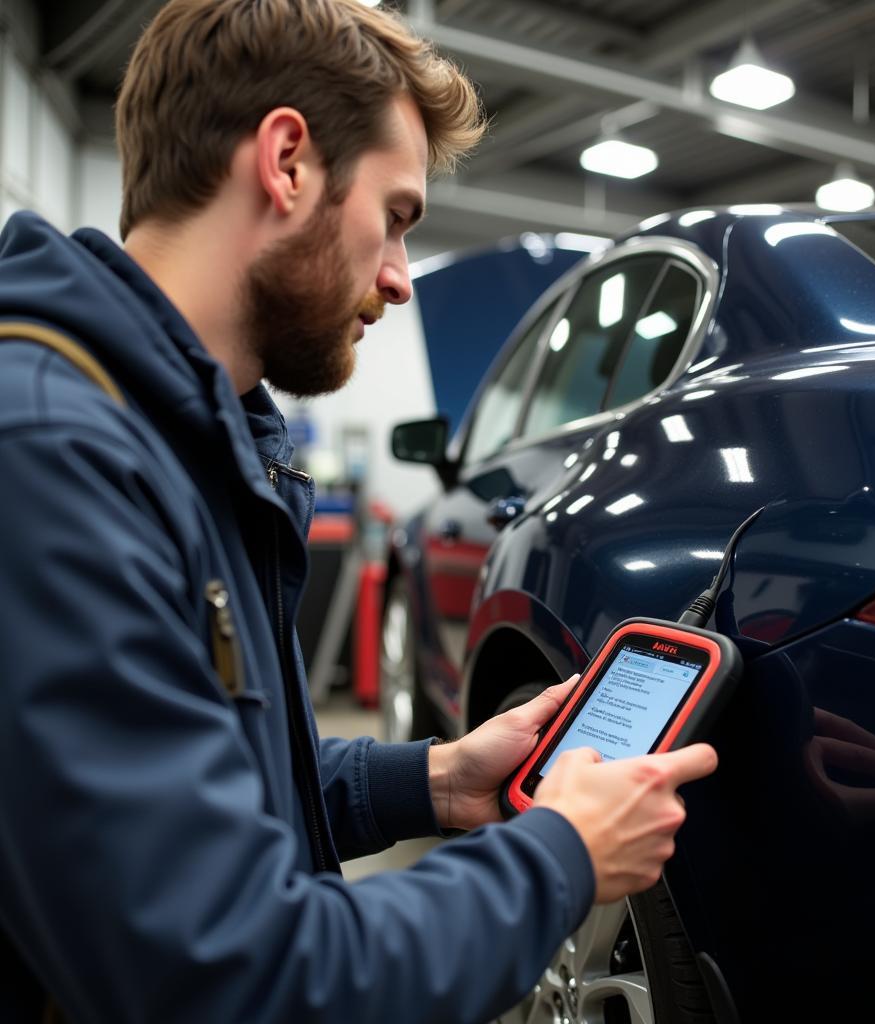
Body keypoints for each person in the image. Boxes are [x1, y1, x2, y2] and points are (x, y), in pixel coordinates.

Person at [0, 1, 718, 1021]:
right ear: (287, 161)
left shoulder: (180, 445)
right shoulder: (52, 456)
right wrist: (559, 852)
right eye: (396, 216)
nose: (397, 277)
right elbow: (232, 976)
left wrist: (432, 780)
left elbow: (212, 780)